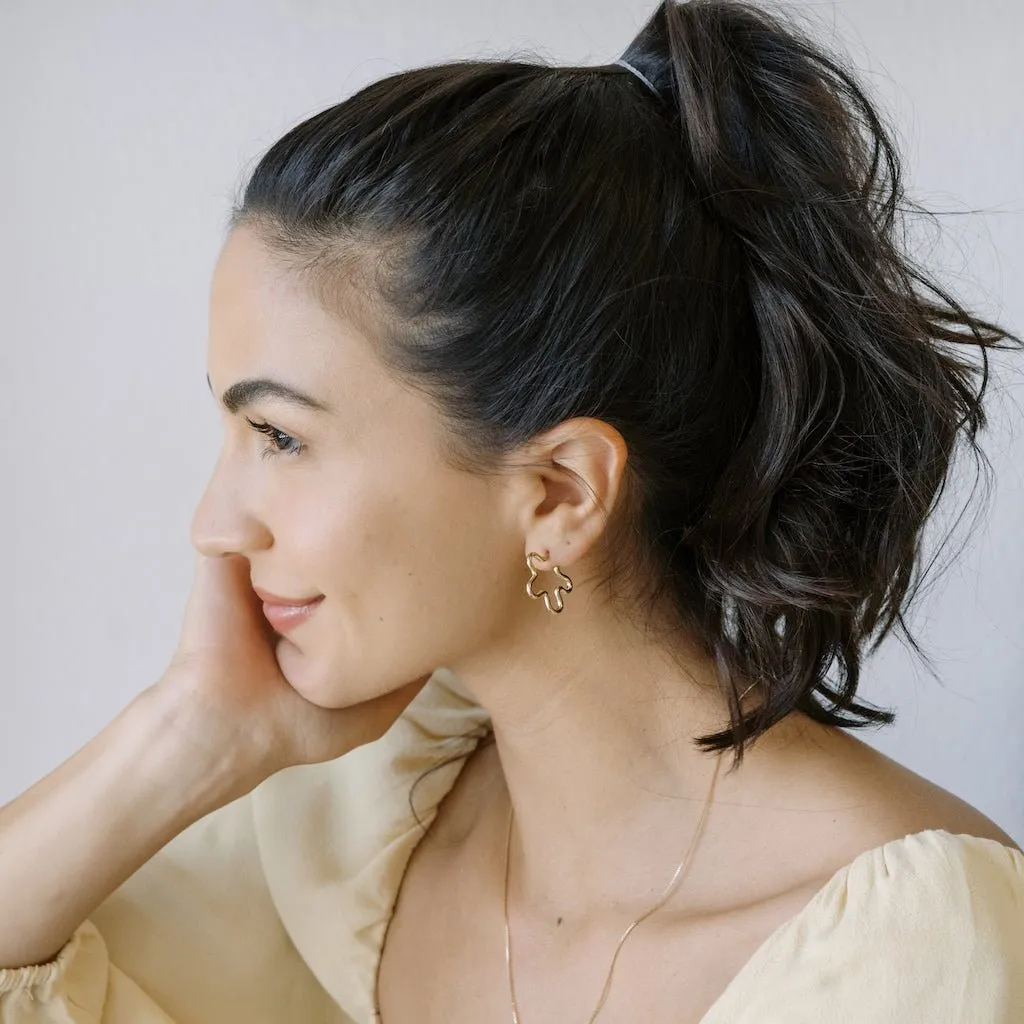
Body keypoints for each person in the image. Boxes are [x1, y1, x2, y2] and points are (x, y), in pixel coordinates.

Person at [2, 0, 1023, 1021]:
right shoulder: (346, 829)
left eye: (280, 438)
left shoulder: (900, 944)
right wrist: (182, 736)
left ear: (558, 492)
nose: (214, 525)